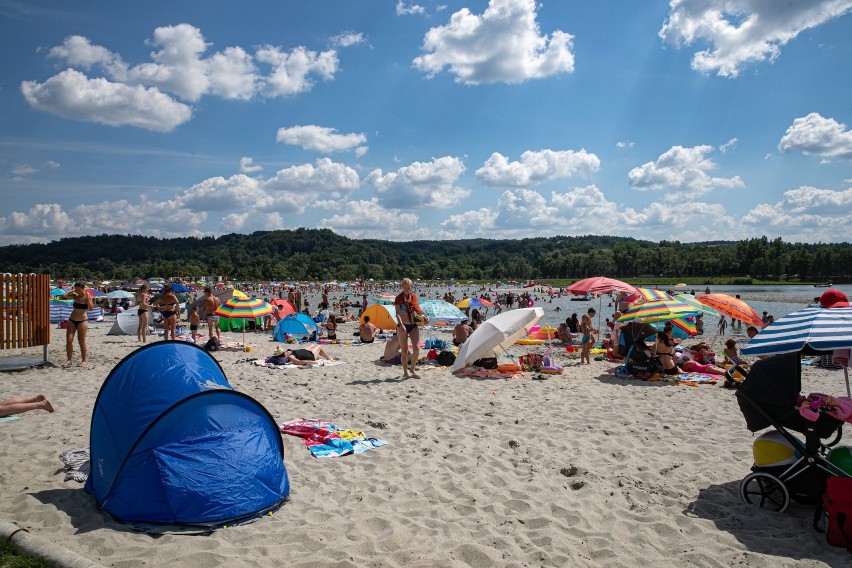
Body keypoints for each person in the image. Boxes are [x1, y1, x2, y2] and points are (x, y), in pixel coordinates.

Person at [394, 278, 429, 378]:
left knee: (417, 348)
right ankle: (405, 372)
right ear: (402, 286)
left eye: (408, 287)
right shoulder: (398, 298)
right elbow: (397, 314)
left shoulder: (413, 296)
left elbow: (418, 309)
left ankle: (412, 368)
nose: (407, 289)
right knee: (404, 351)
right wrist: (402, 325)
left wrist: (425, 317)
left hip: (413, 325)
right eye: (405, 287)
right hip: (402, 326)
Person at [62, 282, 92, 367]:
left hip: (82, 320)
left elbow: (91, 308)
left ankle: (84, 360)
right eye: (76, 289)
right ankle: (69, 360)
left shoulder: (87, 296)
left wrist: (89, 300)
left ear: (83, 289)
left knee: (81, 341)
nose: (77, 291)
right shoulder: (75, 296)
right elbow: (64, 296)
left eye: (78, 289)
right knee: (69, 340)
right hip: (72, 319)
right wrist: (71, 291)